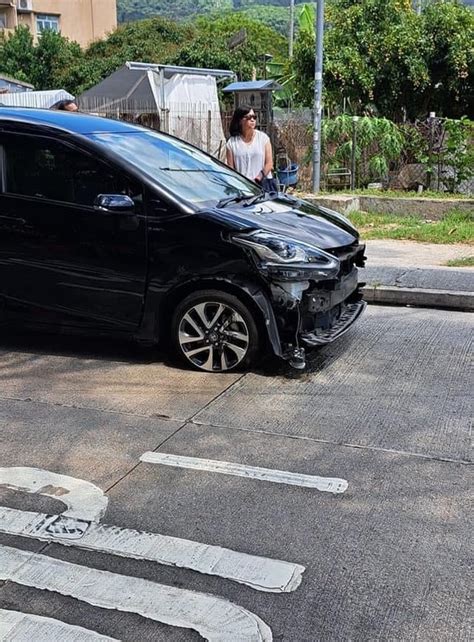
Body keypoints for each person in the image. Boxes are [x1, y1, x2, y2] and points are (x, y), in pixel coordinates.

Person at [226, 105, 277, 191]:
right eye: (249, 117)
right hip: (242, 188)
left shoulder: (263, 138)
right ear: (240, 120)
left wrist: (259, 177)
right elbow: (231, 169)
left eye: (254, 117)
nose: (252, 120)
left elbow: (269, 164)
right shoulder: (232, 143)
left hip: (263, 185)